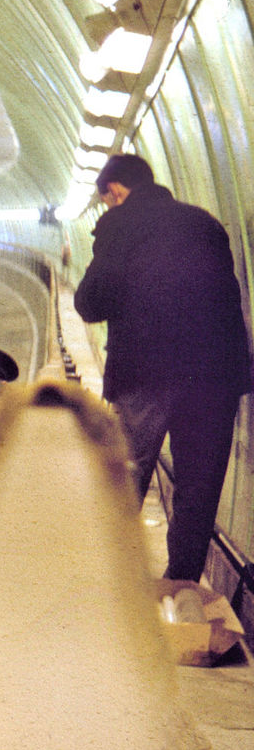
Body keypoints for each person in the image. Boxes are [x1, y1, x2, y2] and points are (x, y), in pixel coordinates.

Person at [72, 153, 253, 586]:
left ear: (115, 191)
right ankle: (181, 588)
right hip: (215, 380)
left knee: (123, 476)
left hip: (145, 374)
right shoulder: (206, 223)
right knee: (198, 490)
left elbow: (89, 302)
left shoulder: (120, 224)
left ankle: (110, 585)